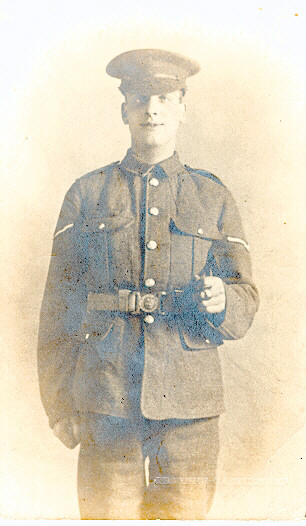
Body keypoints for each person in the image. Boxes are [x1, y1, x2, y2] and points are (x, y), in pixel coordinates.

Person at [37, 49, 259, 519]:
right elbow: (58, 305)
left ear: (182, 107)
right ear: (124, 110)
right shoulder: (88, 193)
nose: (152, 109)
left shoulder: (212, 195)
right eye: (140, 98)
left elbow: (244, 294)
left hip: (190, 408)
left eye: (164, 98)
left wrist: (222, 301)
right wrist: (58, 401)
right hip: (106, 398)